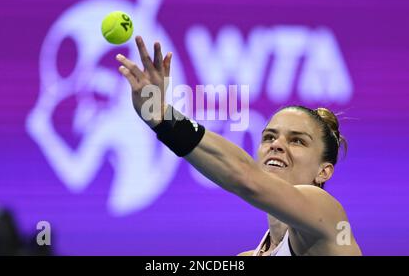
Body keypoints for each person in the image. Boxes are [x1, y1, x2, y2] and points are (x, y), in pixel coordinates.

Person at [115, 36, 362, 256]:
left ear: (324, 171)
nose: (276, 145)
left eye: (297, 140)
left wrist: (163, 117)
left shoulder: (327, 214)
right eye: (269, 137)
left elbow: (245, 177)